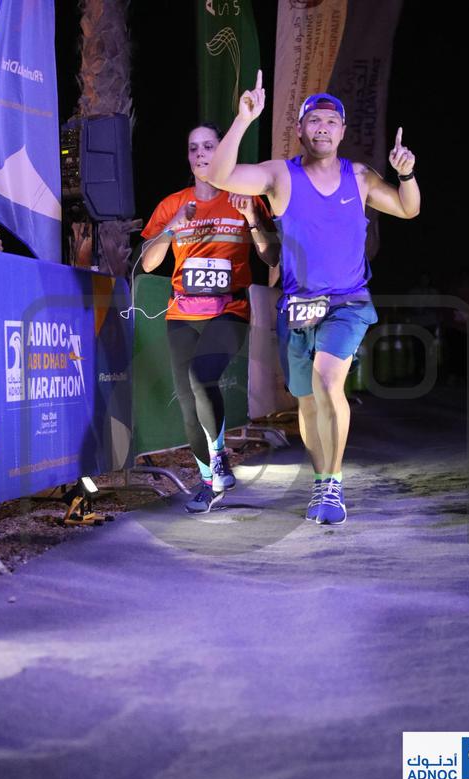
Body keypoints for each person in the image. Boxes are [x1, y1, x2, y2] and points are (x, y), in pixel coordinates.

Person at [202, 71, 421, 526]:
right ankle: (321, 479)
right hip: (297, 307)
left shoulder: (359, 176)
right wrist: (243, 120)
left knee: (327, 381)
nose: (323, 128)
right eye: (314, 121)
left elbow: (408, 207)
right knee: (304, 400)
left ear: (342, 131)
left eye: (331, 122)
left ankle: (334, 483)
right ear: (300, 130)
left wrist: (406, 174)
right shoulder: (280, 175)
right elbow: (219, 175)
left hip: (347, 302)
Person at [140, 122, 278, 513]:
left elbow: (271, 257)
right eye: (193, 148)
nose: (201, 154)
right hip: (182, 313)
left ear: (222, 152)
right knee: (187, 403)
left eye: (208, 147)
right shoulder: (173, 204)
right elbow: (148, 264)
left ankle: (218, 458)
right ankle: (207, 482)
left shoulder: (244, 198)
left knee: (203, 376)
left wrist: (252, 218)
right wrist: (172, 228)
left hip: (229, 310)